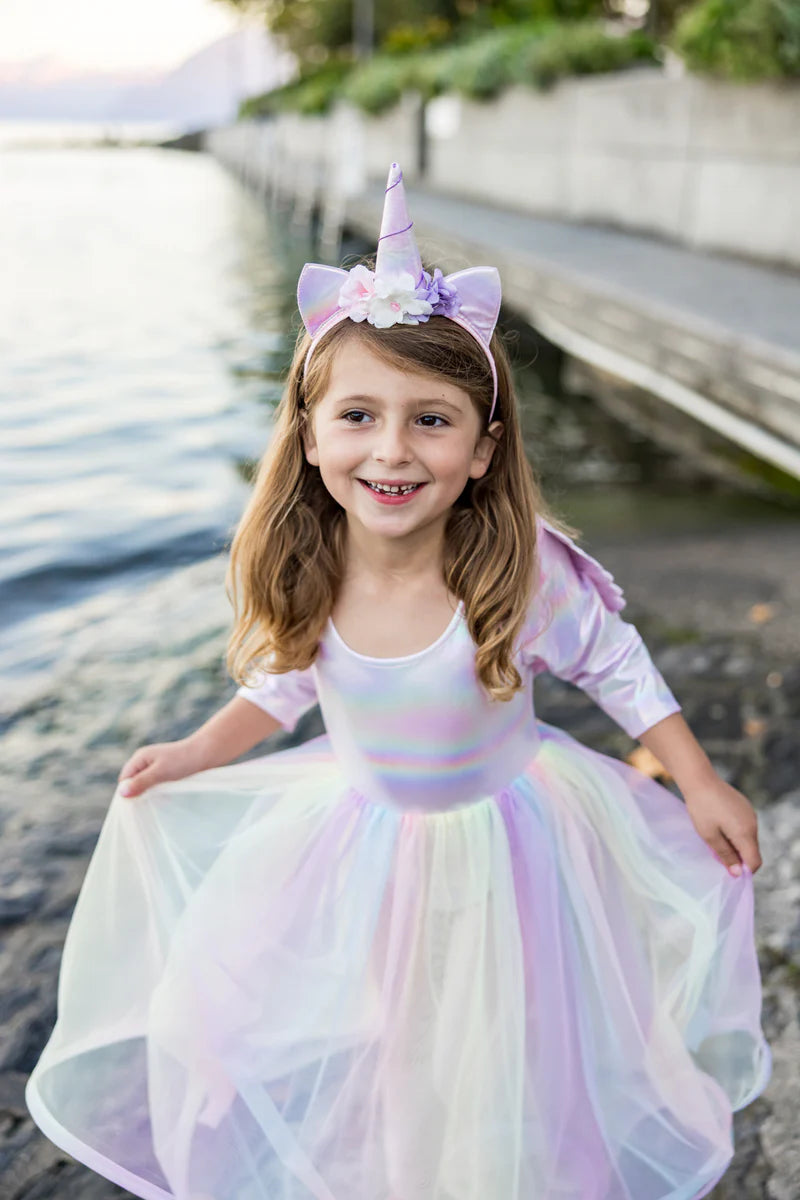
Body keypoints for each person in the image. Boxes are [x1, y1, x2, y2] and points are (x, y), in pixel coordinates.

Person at [25, 162, 772, 1200]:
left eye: (431, 420)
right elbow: (282, 688)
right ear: (310, 433)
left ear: (482, 448)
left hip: (514, 844)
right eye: (358, 416)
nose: (392, 450)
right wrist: (194, 752)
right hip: (366, 845)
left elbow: (615, 661)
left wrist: (695, 779)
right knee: (398, 1029)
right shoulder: (312, 567)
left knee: (514, 1028)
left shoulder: (516, 569)